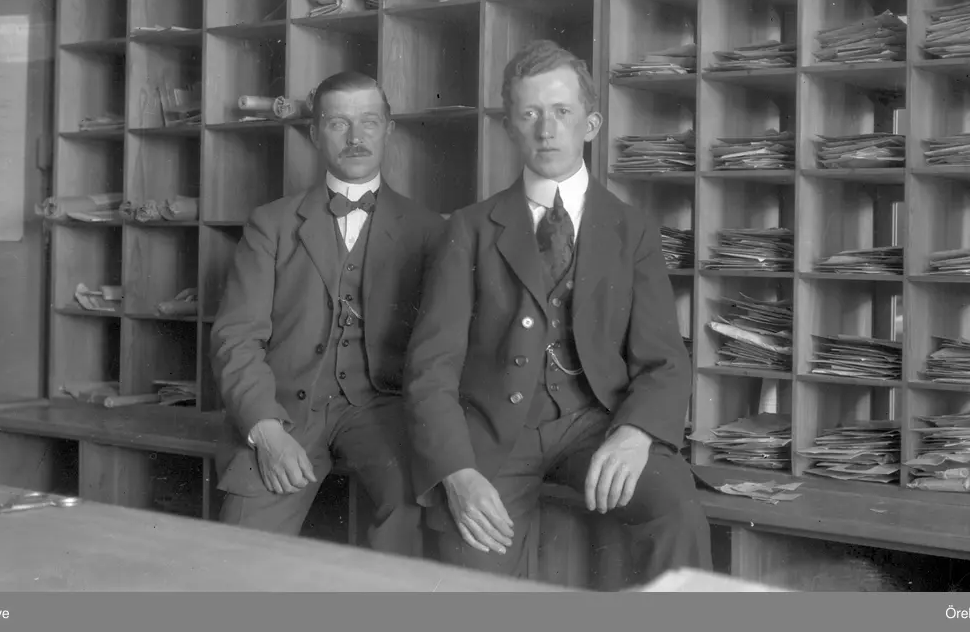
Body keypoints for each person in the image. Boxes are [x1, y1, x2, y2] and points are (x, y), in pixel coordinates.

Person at [403, 40, 711, 582]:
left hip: (597, 424)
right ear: (509, 127)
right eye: (530, 114)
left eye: (562, 112)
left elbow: (664, 358)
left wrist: (636, 434)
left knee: (674, 504)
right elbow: (431, 367)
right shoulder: (469, 229)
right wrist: (457, 472)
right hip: (493, 435)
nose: (546, 130)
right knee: (472, 575)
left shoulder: (632, 229)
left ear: (590, 124)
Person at [212, 71, 445, 557]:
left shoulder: (427, 229)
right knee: (240, 552)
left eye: (369, 122)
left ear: (388, 129)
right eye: (339, 123)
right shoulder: (271, 224)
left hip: (382, 411)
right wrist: (266, 431)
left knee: (416, 508)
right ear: (315, 133)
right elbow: (236, 338)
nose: (356, 137)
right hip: (284, 409)